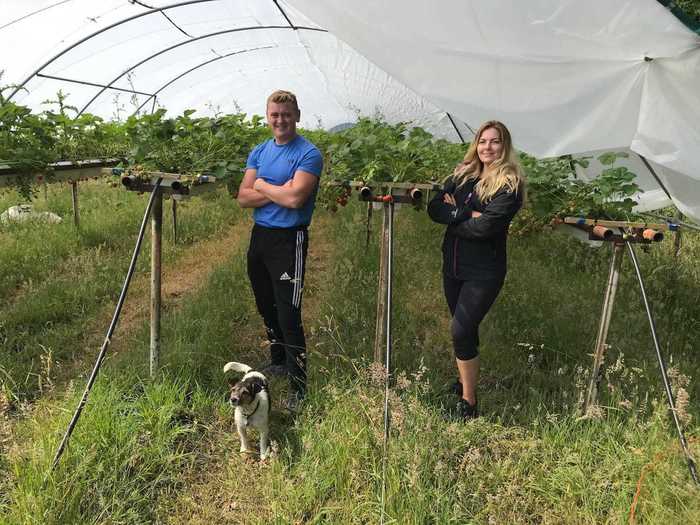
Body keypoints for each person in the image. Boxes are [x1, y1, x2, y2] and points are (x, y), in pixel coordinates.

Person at [427, 120, 524, 420]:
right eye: (483, 141)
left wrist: (453, 217)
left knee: (460, 329)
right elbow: (434, 208)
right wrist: (467, 212)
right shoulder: (463, 173)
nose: (487, 147)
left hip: (484, 271)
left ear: (504, 146)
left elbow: (486, 228)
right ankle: (462, 381)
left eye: (495, 142)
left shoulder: (509, 184)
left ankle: (469, 403)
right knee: (464, 329)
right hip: (453, 266)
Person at [237, 90, 323, 411]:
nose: (280, 120)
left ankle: (299, 387)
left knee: (289, 311)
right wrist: (274, 189)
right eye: (274, 114)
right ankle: (279, 360)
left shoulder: (308, 154)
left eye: (286, 114)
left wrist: (261, 185)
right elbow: (243, 197)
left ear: (297, 115)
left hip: (290, 241)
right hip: (260, 237)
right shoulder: (259, 151)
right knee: (264, 302)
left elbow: (295, 199)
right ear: (267, 116)